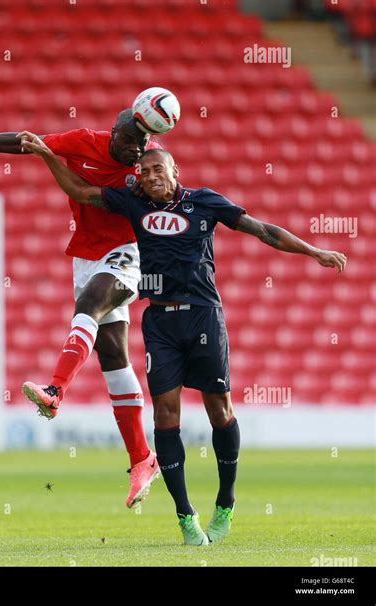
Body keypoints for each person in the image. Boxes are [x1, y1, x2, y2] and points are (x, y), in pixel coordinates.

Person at [19, 132, 348, 546]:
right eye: (145, 171)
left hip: (205, 317)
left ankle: (225, 501)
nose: (152, 175)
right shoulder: (133, 202)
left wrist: (313, 251)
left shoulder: (205, 202)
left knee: (219, 409)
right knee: (165, 417)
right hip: (160, 322)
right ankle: (185, 516)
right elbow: (81, 193)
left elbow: (262, 229)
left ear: (176, 172)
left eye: (160, 169)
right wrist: (48, 155)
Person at [0, 111, 162, 509]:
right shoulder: (85, 141)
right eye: (129, 143)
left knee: (89, 304)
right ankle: (142, 458)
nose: (135, 152)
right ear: (115, 134)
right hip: (86, 257)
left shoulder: (145, 165)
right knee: (115, 358)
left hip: (127, 254)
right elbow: (27, 140)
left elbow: (166, 182)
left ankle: (55, 390)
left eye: (141, 146)